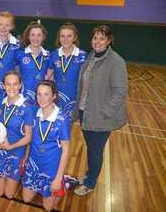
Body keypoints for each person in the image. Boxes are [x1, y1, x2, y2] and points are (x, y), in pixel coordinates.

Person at [73, 25, 127, 196]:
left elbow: (120, 91)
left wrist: (105, 113)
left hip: (100, 116)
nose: (97, 41)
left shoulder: (116, 61)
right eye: (95, 38)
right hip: (86, 112)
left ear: (109, 40)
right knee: (91, 148)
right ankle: (90, 175)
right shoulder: (91, 57)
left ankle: (89, 183)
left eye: (102, 38)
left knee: (95, 150)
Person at [22, 80, 70, 211]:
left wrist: (58, 178)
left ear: (54, 96)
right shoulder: (34, 113)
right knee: (26, 199)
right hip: (34, 163)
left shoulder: (62, 119)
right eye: (39, 94)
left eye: (46, 94)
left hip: (51, 167)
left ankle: (63, 182)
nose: (41, 98)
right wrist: (26, 157)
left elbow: (66, 150)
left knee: (48, 207)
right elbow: (31, 139)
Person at [0, 70, 33, 198]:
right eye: (8, 84)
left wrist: (11, 147)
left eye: (15, 84)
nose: (11, 87)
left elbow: (29, 136)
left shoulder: (28, 107)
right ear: (3, 86)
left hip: (16, 151)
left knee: (9, 195)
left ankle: (20, 176)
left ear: (20, 85)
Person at [47, 23, 87, 121]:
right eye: (62, 36)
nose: (65, 39)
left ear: (74, 38)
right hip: (56, 100)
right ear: (59, 38)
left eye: (69, 36)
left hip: (74, 100)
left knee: (67, 130)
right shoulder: (53, 55)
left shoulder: (83, 56)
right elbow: (48, 78)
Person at [16, 22, 50, 105]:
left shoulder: (49, 55)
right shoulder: (19, 54)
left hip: (42, 99)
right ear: (28, 36)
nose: (36, 38)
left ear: (43, 37)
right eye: (33, 35)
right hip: (23, 99)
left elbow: (50, 78)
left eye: (39, 35)